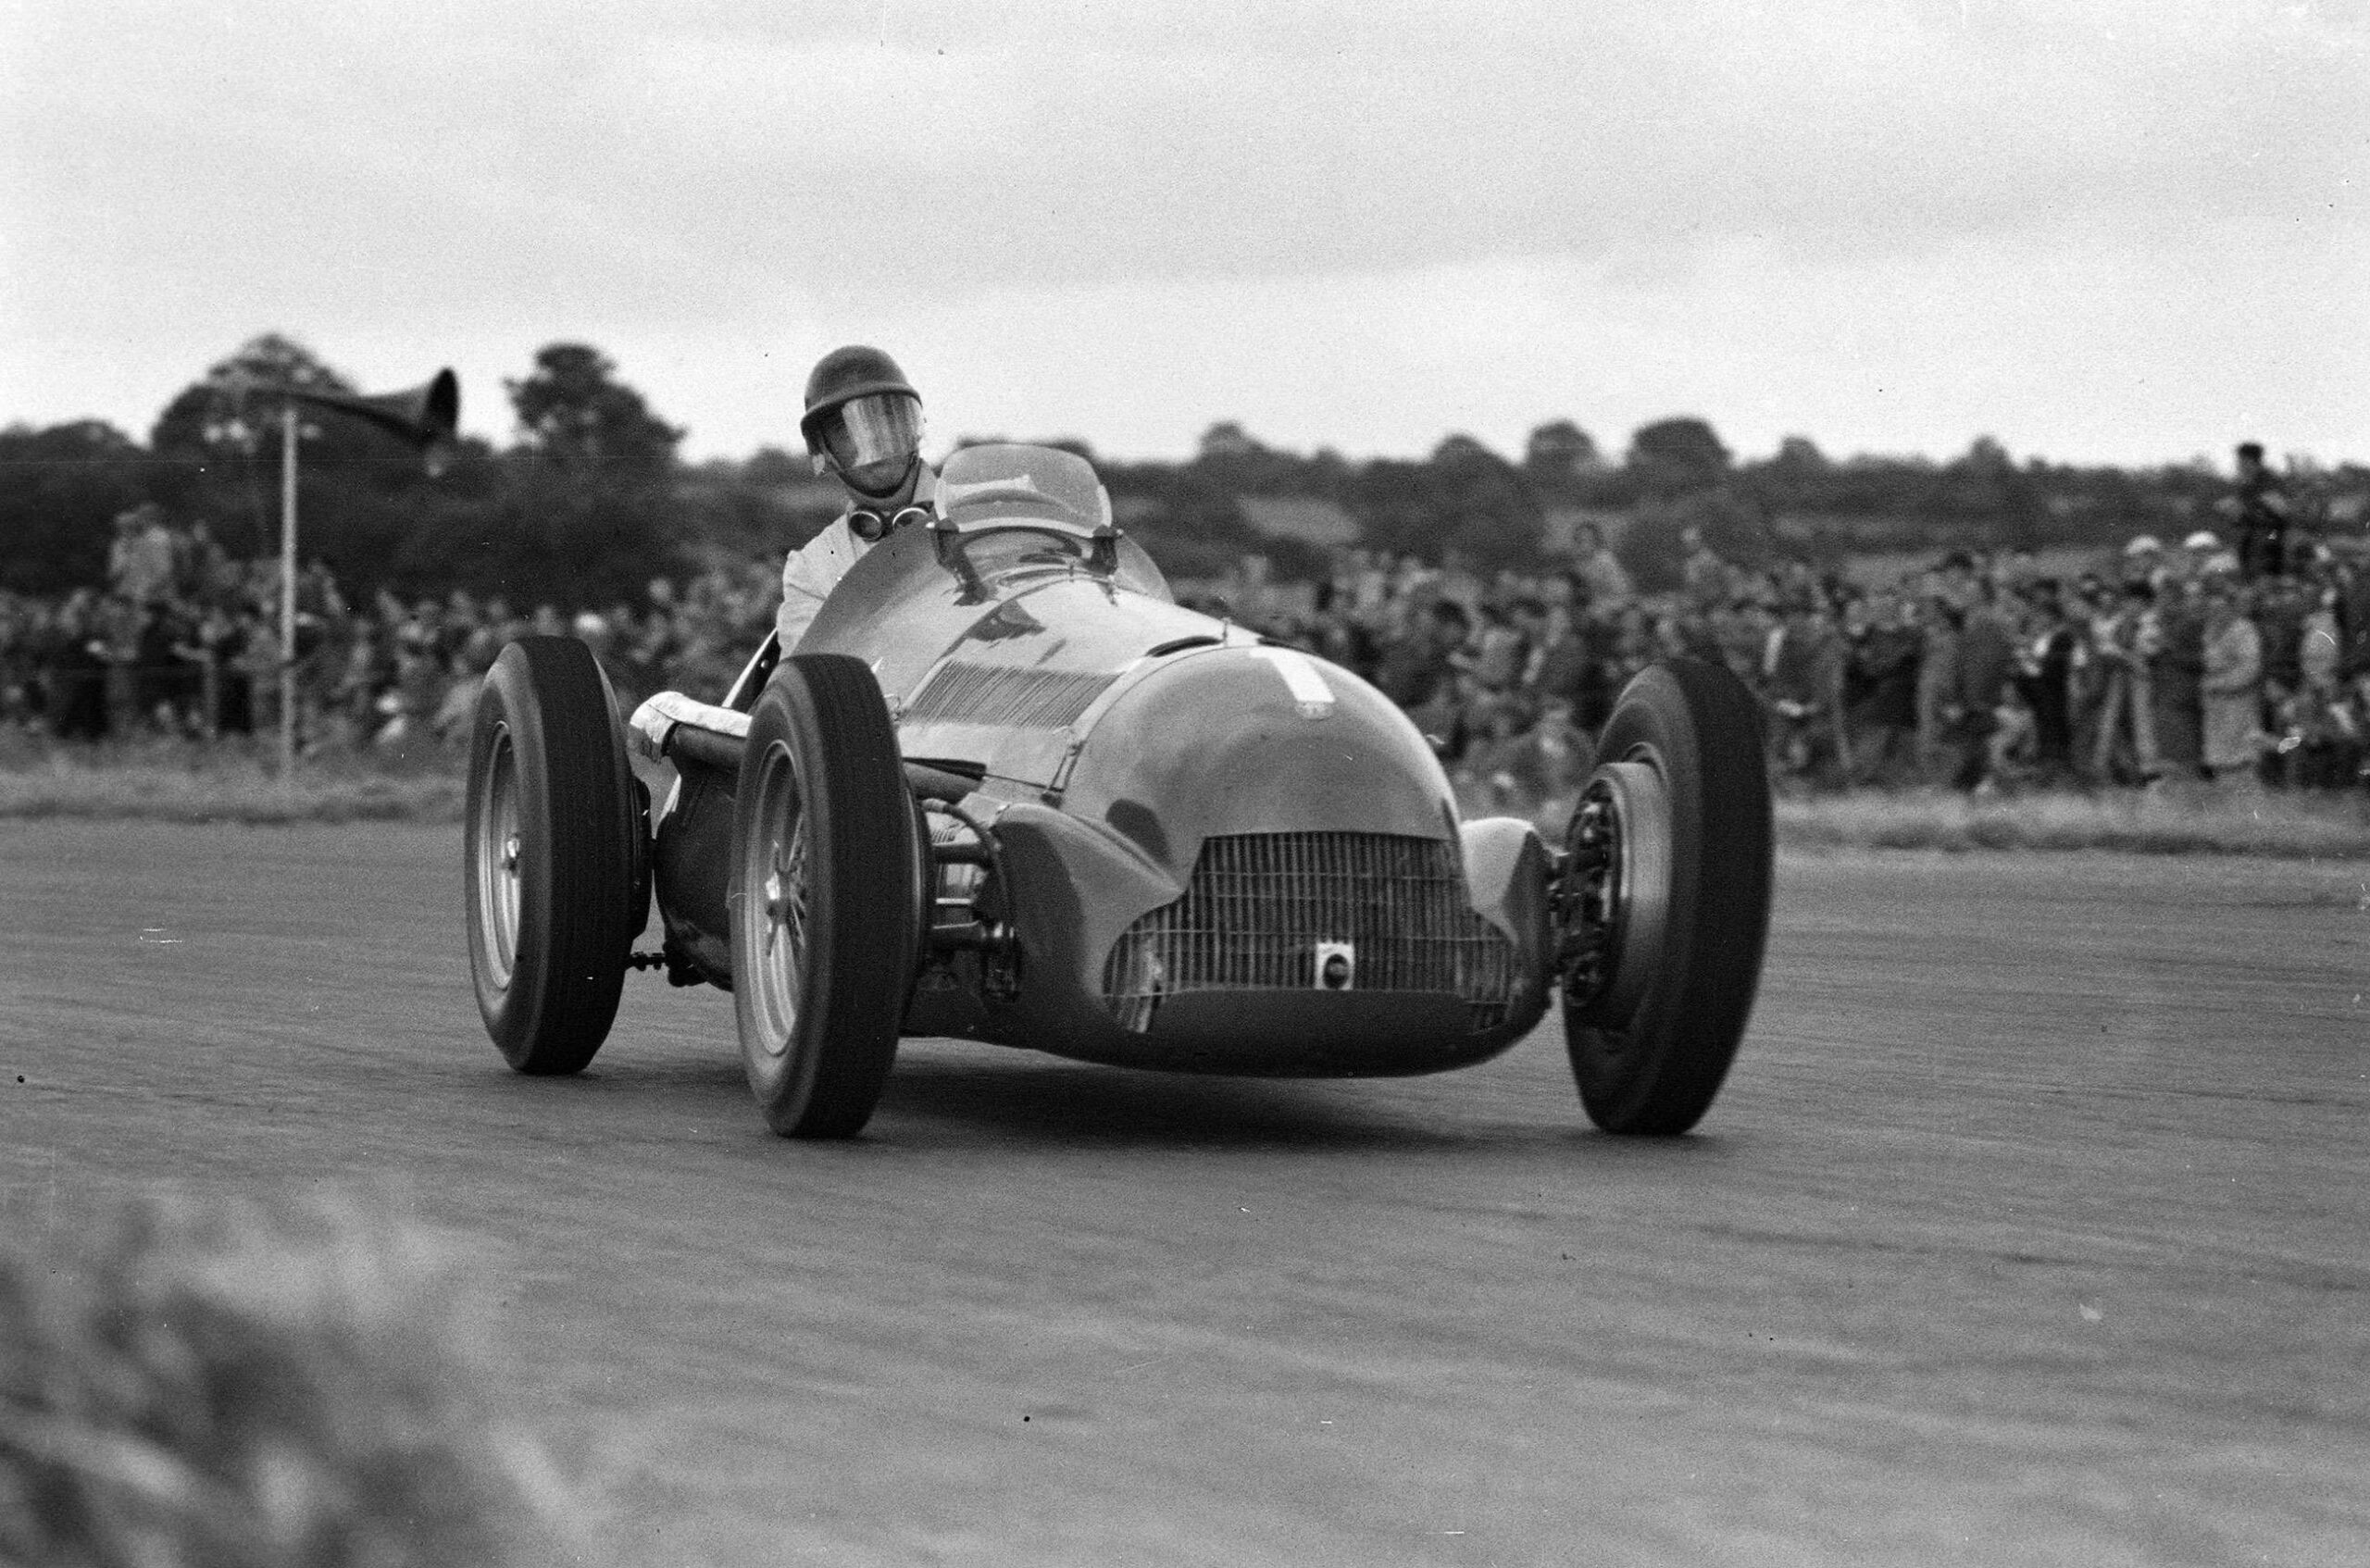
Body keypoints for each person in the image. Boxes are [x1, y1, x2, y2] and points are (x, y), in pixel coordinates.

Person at [774, 346, 936, 649]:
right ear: (824, 450)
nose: (873, 437)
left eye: (886, 417)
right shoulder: (812, 570)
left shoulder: (981, 510)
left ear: (912, 426)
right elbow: (812, 680)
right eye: (846, 428)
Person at [2221, 442, 2293, 580]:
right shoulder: (2246, 484)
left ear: (2249, 460)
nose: (2238, 465)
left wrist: (2260, 502)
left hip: (2271, 535)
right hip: (2251, 535)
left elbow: (2282, 510)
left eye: (2241, 460)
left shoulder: (2268, 481)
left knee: (2265, 570)